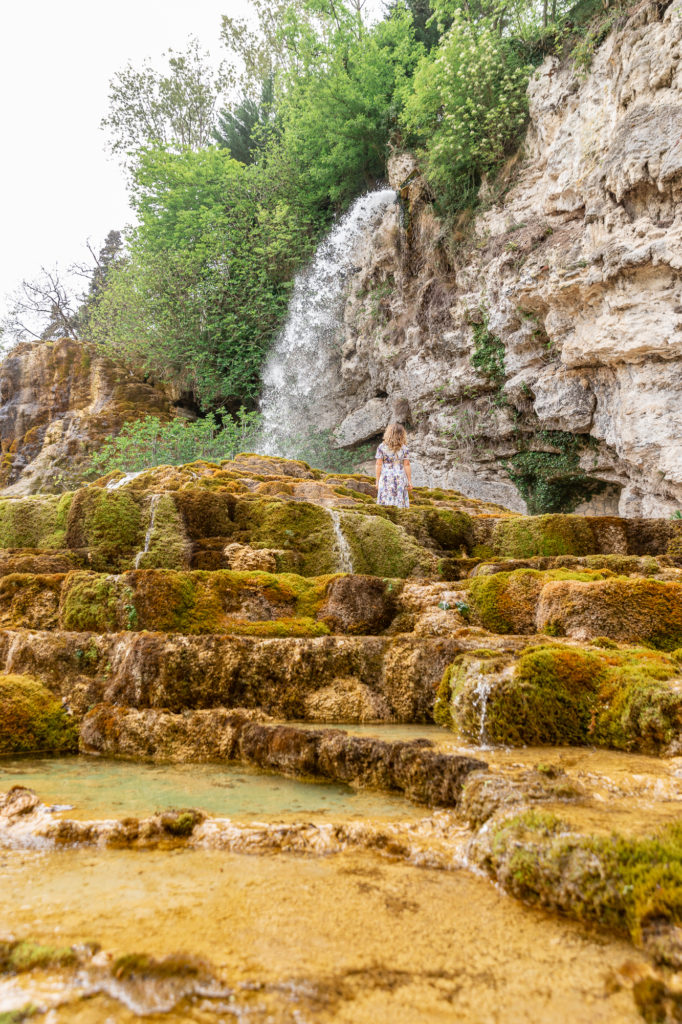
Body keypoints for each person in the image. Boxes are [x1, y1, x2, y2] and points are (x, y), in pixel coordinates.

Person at [375, 423, 412, 508]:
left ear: (388, 433)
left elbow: (378, 464)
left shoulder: (381, 447)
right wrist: (409, 481)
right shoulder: (404, 448)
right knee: (399, 500)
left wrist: (377, 481)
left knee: (385, 499)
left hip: (386, 476)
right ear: (402, 434)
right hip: (400, 476)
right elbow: (406, 464)